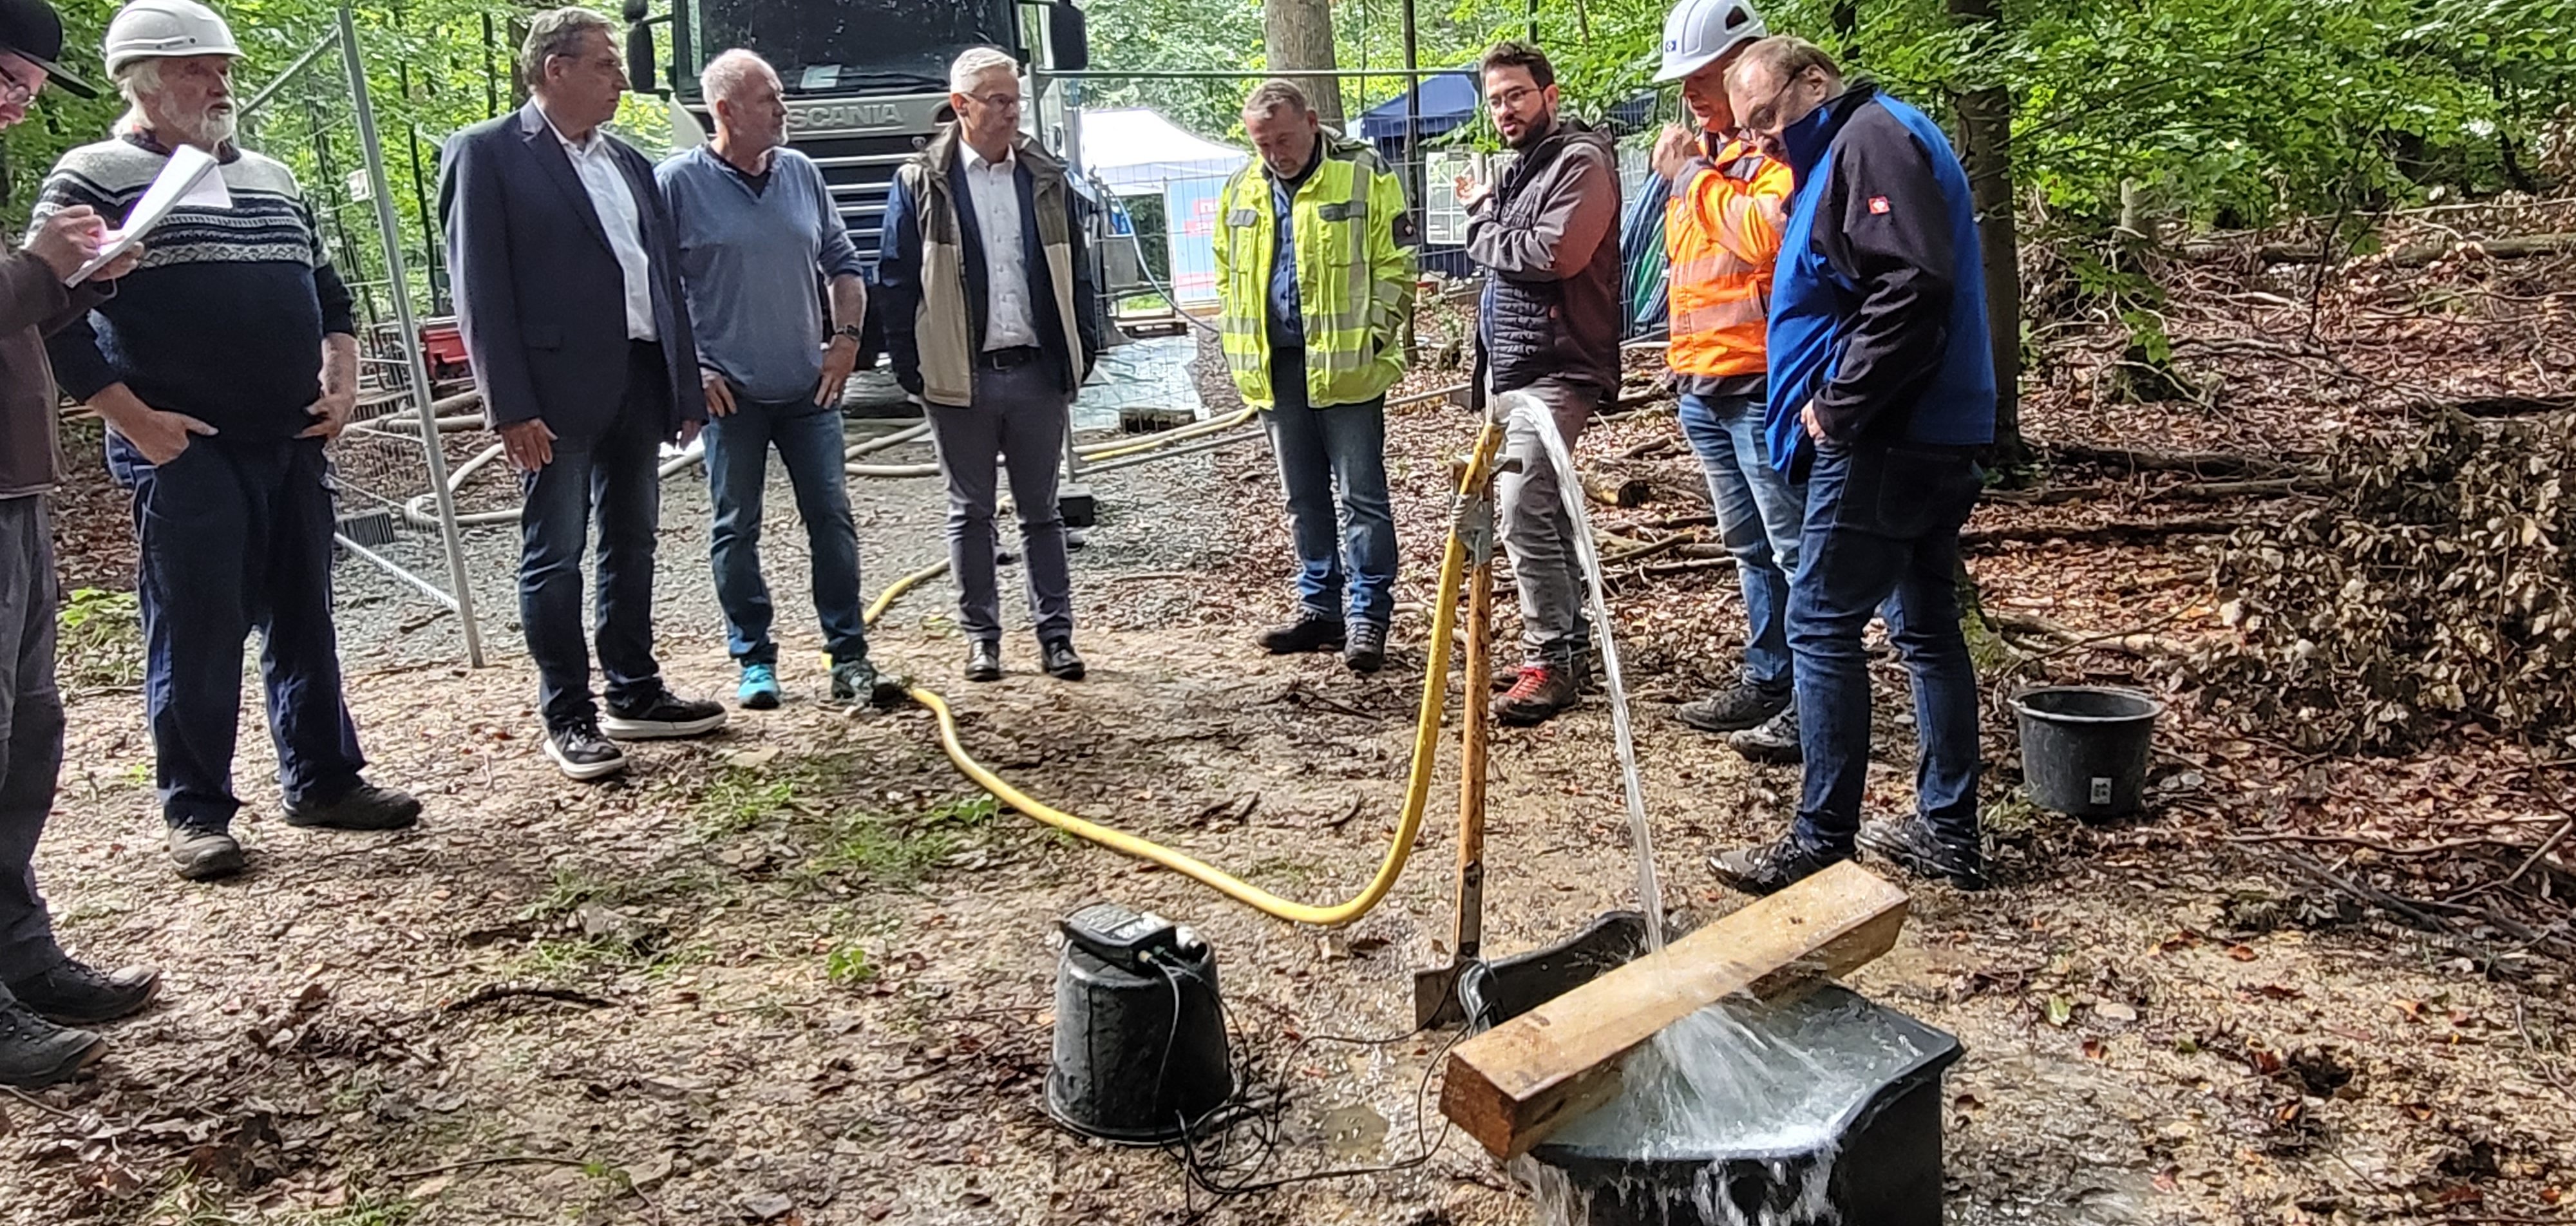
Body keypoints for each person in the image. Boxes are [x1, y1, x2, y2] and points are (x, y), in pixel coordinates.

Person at [41, 0, 421, 882]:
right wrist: (135, 422)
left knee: (304, 612)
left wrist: (345, 381)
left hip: (288, 435)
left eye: (223, 70)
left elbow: (329, 295)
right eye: (193, 70)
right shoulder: (90, 175)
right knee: (198, 626)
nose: (216, 87)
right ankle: (197, 809)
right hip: (184, 443)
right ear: (141, 80)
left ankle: (324, 778)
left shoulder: (272, 177)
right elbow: (52, 317)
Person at [1707, 37, 1996, 895]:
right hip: (1927, 430)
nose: (1760, 141)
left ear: (1814, 82)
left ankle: (1819, 840)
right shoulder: (1860, 143)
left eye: (1766, 119)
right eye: (1749, 130)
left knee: (1820, 624)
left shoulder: (1871, 137)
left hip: (1888, 435)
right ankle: (1947, 828)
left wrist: (1838, 404)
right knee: (1925, 626)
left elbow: (1912, 286)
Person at [442, 7, 727, 782]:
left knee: (632, 540)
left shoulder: (630, 163)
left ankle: (633, 690)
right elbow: (480, 289)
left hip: (637, 377)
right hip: (552, 391)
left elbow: (659, 279)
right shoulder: (488, 155)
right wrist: (509, 405)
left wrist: (681, 380)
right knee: (555, 550)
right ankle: (567, 712)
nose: (621, 79)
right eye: (606, 64)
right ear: (554, 69)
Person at [0, 0, 160, 1090]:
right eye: (4, 74)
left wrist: (83, 279)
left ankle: (20, 956)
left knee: (28, 732)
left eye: (25, 84)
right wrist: (36, 269)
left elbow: (23, 312)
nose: (16, 99)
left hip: (18, 484)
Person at [658, 50, 893, 712]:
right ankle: (754, 660)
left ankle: (848, 654)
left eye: (780, 96)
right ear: (724, 110)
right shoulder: (676, 184)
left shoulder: (801, 174)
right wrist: (693, 368)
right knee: (736, 527)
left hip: (807, 391)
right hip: (730, 396)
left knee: (832, 519)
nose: (782, 109)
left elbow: (844, 263)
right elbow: (657, 289)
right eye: (768, 99)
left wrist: (846, 343)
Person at [877, 46, 1101, 684]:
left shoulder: (1044, 177)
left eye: (1014, 99)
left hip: (1034, 371)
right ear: (961, 106)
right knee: (970, 511)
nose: (1010, 112)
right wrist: (912, 365)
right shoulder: (922, 181)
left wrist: (1079, 347)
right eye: (997, 101)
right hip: (959, 374)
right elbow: (895, 279)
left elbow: (1075, 270)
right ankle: (983, 639)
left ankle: (1056, 636)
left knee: (1042, 510)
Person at [1215, 79, 1416, 674]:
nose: (1275, 153)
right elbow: (1226, 272)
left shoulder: (1364, 173)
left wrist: (1375, 334)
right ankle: (1319, 608)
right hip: (1277, 368)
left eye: (1282, 138)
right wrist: (1238, 337)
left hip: (1351, 365)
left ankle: (1367, 615)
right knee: (1302, 499)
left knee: (1362, 497)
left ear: (1312, 120)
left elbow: (1398, 263)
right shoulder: (1242, 186)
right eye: (1262, 143)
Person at [1649, 0, 1804, 761]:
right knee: (1749, 546)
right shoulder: (1708, 159)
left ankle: (1815, 700)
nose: (1692, 96)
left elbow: (1761, 236)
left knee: (1792, 547)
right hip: (1702, 385)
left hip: (1763, 385)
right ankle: (1768, 676)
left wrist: (1691, 178)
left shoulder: (1781, 152)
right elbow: (1687, 274)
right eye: (1683, 82)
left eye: (1703, 78)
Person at [1457, 41, 1624, 727]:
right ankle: (1564, 646)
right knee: (1543, 510)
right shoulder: (1526, 168)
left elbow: (1553, 254)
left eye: (1517, 95)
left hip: (1560, 368)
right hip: (1514, 369)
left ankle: (1549, 659)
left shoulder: (1579, 162)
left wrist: (1481, 218)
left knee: (1522, 505)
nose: (1505, 109)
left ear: (1548, 96)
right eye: (1495, 99)